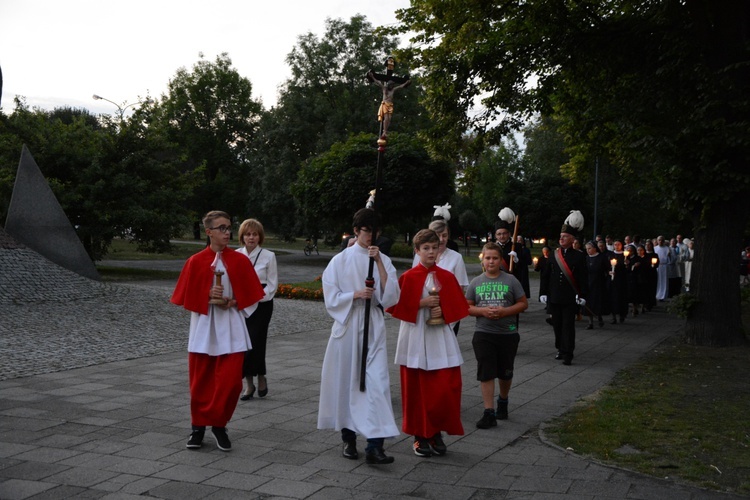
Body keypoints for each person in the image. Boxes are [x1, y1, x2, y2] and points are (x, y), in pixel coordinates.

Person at [171, 210, 265, 451]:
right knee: (200, 380)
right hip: (204, 326)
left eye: (229, 227)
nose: (227, 232)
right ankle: (198, 428)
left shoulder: (239, 260)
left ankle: (219, 425)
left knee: (231, 382)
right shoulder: (195, 261)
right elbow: (185, 296)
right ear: (209, 232)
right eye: (222, 228)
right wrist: (205, 294)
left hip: (231, 326)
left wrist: (233, 302)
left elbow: (253, 295)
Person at [318, 208, 400, 465]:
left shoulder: (383, 260)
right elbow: (330, 296)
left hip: (372, 326)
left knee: (376, 384)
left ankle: (375, 445)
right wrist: (354, 295)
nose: (371, 236)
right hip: (349, 325)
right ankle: (349, 438)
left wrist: (378, 263)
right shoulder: (340, 260)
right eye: (366, 231)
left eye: (375, 232)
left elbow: (391, 297)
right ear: (356, 231)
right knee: (347, 382)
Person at [388, 229, 468, 457]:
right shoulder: (409, 277)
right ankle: (419, 435)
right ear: (417, 251)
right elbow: (396, 307)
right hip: (415, 336)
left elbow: (459, 308)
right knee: (416, 387)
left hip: (439, 336)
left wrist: (443, 307)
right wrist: (421, 302)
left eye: (434, 247)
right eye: (426, 248)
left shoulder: (446, 276)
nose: (431, 252)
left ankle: (435, 431)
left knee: (443, 386)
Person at [466, 242, 528, 429]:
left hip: (507, 333)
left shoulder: (511, 280)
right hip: (484, 333)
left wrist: (505, 311)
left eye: (494, 258)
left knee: (505, 372)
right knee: (486, 371)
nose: (491, 261)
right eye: (487, 258)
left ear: (500, 260)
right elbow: (467, 306)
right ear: (482, 260)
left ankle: (503, 400)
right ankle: (488, 412)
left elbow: (523, 304)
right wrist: (482, 312)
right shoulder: (476, 282)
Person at [539, 211, 588, 366]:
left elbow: (582, 278)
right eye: (561, 236)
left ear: (572, 239)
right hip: (554, 296)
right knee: (557, 325)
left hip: (569, 297)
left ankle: (568, 353)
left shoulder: (579, 256)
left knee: (568, 326)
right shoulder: (554, 255)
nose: (561, 238)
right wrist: (543, 293)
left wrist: (582, 295)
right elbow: (545, 275)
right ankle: (560, 348)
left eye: (565, 236)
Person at [236, 218, 277, 400]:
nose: (251, 238)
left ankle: (261, 376)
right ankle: (249, 384)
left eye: (254, 234)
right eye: (247, 234)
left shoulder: (269, 256)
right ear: (242, 237)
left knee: (256, 342)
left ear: (260, 236)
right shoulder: (236, 255)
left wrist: (256, 297)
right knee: (243, 345)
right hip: (241, 305)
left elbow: (272, 285)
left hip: (262, 304)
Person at [412, 218, 469, 334]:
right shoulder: (419, 257)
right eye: (438, 235)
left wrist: (443, 310)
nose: (441, 239)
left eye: (445, 235)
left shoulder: (456, 258)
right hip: (424, 312)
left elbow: (460, 290)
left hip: (448, 313)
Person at [367, 69, 411, 137]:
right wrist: (372, 77)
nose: (392, 86)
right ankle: (384, 131)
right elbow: (378, 82)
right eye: (391, 85)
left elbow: (400, 87)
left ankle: (386, 131)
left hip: (390, 105)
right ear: (389, 85)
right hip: (385, 104)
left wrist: (406, 83)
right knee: (386, 118)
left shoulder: (393, 90)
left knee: (389, 119)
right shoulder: (384, 89)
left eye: (393, 85)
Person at [584, 241, 609, 329]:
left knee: (597, 302)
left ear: (595, 248)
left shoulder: (602, 257)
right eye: (586, 249)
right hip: (588, 283)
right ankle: (590, 322)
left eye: (589, 248)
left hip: (599, 283)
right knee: (589, 303)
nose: (588, 250)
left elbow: (607, 268)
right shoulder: (586, 258)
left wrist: (610, 272)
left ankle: (599, 317)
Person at [654, 236, 670, 301]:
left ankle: (663, 295)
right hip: (657, 266)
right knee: (657, 280)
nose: (660, 241)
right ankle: (657, 294)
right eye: (659, 240)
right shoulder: (655, 248)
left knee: (664, 281)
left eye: (662, 240)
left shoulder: (667, 248)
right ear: (657, 241)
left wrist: (669, 256)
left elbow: (670, 259)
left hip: (664, 266)